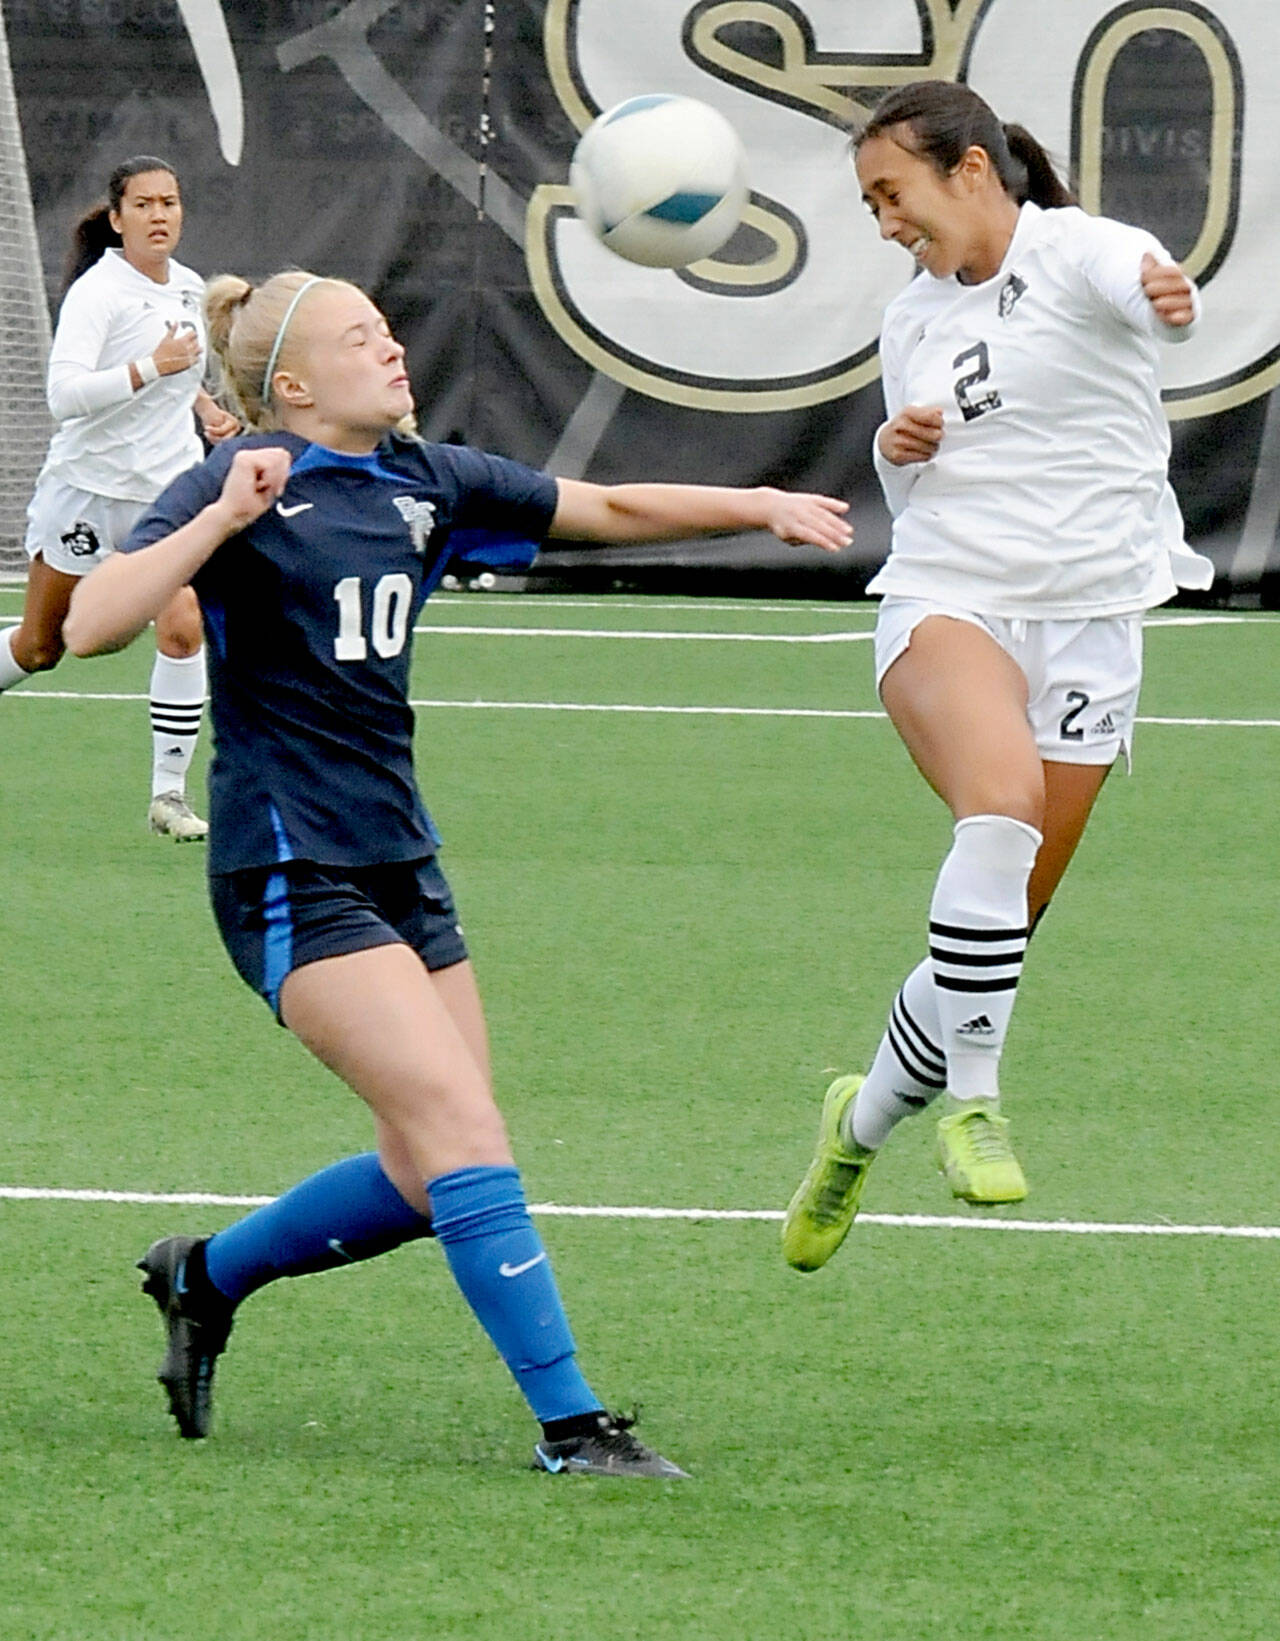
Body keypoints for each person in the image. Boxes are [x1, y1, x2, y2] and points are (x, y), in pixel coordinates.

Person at [64, 267, 852, 1474]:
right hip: (288, 868)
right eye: (361, 338)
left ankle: (205, 1275)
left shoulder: (426, 482)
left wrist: (752, 500)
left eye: (389, 330)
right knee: (464, 1131)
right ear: (291, 384)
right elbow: (88, 624)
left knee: (429, 1171)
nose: (391, 350)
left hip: (402, 865)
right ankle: (573, 1427)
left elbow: (610, 506)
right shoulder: (234, 490)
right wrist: (221, 513)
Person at [781, 79, 1213, 1272]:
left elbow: (1140, 281)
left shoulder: (1077, 252)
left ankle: (858, 1125)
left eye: (892, 194)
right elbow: (913, 490)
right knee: (1000, 809)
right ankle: (975, 1097)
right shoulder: (910, 317)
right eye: (868, 203)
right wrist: (890, 448)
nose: (884, 224)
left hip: (1090, 623)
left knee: (992, 931)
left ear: (970, 170)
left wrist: (1161, 295)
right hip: (946, 595)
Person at [0, 155, 239, 840]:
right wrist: (148, 369)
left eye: (170, 201)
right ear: (117, 218)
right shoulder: (98, 293)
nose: (160, 214)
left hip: (167, 491)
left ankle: (169, 795)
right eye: (143, 204)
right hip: (88, 490)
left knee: (184, 620)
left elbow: (178, 368)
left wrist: (200, 404)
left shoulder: (189, 288)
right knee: (43, 645)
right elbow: (64, 396)